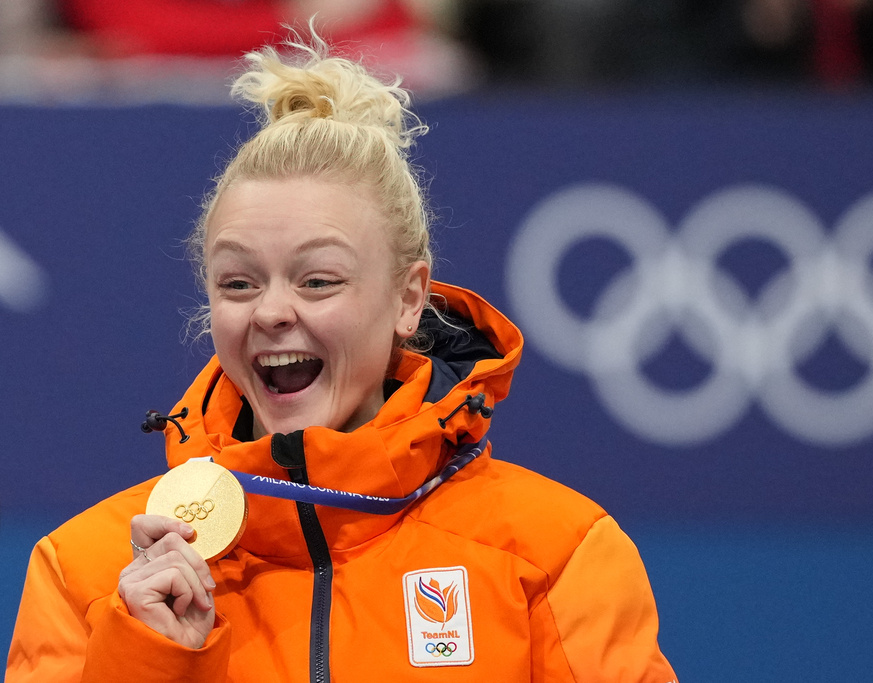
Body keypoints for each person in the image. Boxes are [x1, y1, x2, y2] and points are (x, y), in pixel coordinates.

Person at [5, 28, 677, 682]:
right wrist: (148, 661)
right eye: (237, 282)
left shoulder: (553, 552)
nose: (270, 310)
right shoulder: (90, 573)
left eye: (317, 280)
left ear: (409, 298)